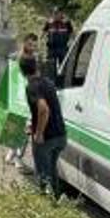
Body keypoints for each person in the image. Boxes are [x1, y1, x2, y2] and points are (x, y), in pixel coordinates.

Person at [20, 55, 67, 199]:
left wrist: (39, 133)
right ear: (36, 66)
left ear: (22, 71)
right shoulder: (48, 82)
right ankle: (56, 200)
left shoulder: (32, 86)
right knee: (52, 170)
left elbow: (44, 109)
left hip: (46, 138)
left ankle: (45, 202)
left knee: (43, 175)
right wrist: (33, 125)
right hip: (60, 135)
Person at [6, 33, 40, 169]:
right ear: (24, 42)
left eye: (35, 45)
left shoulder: (35, 57)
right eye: (30, 44)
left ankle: (15, 155)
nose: (33, 47)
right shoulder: (14, 57)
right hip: (18, 95)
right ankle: (15, 155)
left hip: (29, 94)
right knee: (18, 126)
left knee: (26, 128)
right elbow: (11, 77)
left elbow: (37, 75)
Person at [44, 11, 73, 83]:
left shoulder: (67, 23)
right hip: (51, 48)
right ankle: (52, 82)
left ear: (61, 14)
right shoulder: (49, 23)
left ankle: (63, 82)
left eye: (58, 13)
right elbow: (44, 33)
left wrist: (71, 42)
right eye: (55, 13)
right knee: (51, 67)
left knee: (64, 66)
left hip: (63, 47)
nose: (56, 15)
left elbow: (72, 33)